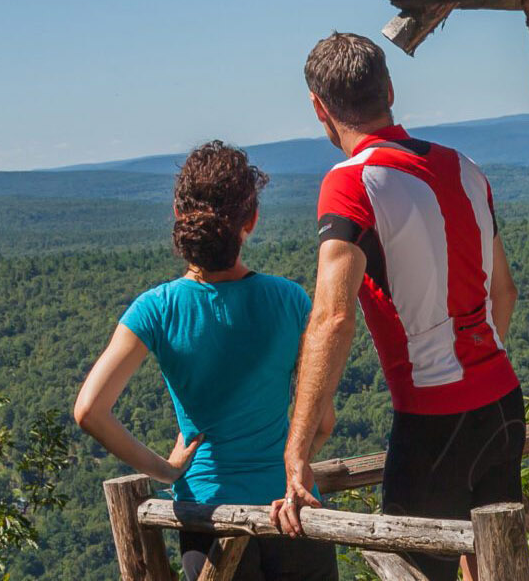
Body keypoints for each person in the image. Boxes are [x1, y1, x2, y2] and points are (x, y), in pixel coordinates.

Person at [271, 33, 523, 581]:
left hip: (433, 416)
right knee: (496, 564)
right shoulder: (465, 167)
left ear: (320, 108)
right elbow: (504, 292)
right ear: (388, 88)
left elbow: (332, 317)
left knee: (414, 572)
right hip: (503, 402)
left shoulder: (350, 184)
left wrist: (297, 451)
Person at [74, 141, 338, 581]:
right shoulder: (289, 300)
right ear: (251, 221)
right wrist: (296, 467)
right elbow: (322, 419)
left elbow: (89, 411)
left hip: (208, 517)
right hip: (292, 513)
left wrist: (167, 469)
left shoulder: (156, 309)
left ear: (180, 218)